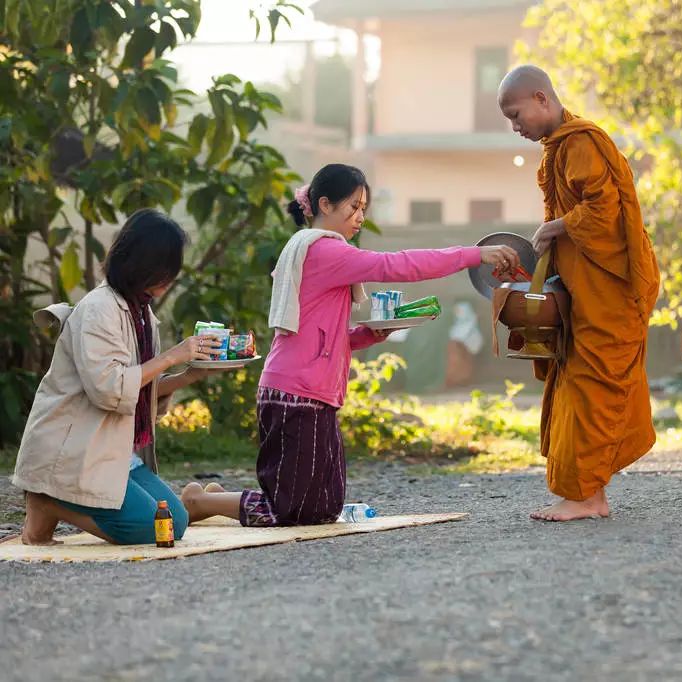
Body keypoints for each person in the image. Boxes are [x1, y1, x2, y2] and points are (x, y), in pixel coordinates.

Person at [180, 164, 520, 526]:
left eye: (364, 209)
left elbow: (325, 335)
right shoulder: (324, 251)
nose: (359, 217)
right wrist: (475, 254)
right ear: (324, 205)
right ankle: (200, 501)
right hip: (294, 393)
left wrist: (367, 335)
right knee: (292, 510)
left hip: (316, 393)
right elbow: (399, 265)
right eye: (353, 207)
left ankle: (219, 499)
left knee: (326, 506)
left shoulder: (323, 252)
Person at [497, 65, 661, 522]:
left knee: (594, 385)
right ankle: (591, 493)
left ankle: (587, 497)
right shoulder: (557, 149)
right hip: (585, 289)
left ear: (542, 99)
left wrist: (558, 225)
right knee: (577, 386)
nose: (515, 128)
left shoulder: (582, 142)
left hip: (611, 287)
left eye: (516, 115)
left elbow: (605, 211)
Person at [14, 209, 224, 545]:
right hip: (75, 450)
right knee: (149, 530)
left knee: (176, 520)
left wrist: (189, 374)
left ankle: (49, 510)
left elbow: (139, 389)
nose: (169, 278)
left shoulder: (140, 311)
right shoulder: (99, 308)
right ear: (139, 264)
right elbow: (109, 389)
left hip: (110, 448)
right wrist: (173, 355)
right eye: (164, 270)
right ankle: (47, 500)